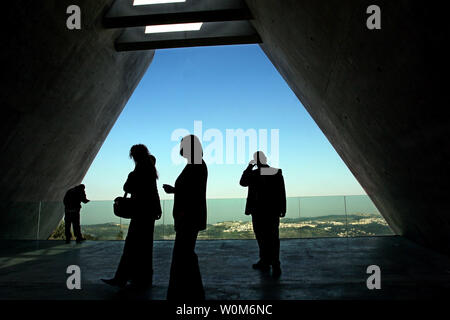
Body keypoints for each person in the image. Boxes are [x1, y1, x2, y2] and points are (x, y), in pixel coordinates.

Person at [102, 144, 161, 289]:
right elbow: (154, 191)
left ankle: (121, 278)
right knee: (145, 247)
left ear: (134, 155)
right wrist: (157, 208)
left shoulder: (138, 170)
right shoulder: (151, 170)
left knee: (131, 246)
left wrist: (131, 176)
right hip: (149, 213)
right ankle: (143, 279)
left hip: (139, 213)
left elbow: (127, 187)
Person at [163, 134, 207, 300]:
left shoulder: (195, 165)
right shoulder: (196, 165)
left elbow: (191, 192)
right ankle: (192, 291)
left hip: (188, 217)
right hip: (190, 217)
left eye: (182, 145)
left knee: (183, 254)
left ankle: (185, 292)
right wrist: (175, 190)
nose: (180, 148)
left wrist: (176, 192)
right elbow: (192, 190)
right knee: (186, 254)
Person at [239, 151, 286, 278]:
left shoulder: (254, 173)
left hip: (258, 211)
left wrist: (249, 166)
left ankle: (265, 261)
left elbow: (242, 182)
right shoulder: (276, 172)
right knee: (272, 238)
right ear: (265, 159)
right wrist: (283, 208)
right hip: (272, 211)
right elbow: (282, 191)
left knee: (262, 237)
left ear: (256, 161)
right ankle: (274, 263)